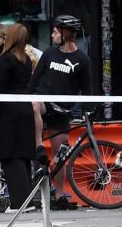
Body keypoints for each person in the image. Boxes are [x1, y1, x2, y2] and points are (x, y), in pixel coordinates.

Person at [30, 15, 93, 211]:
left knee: (60, 155)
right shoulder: (49, 53)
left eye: (56, 31)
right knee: (34, 105)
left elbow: (87, 89)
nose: (52, 35)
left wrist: (88, 111)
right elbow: (34, 81)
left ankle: (59, 195)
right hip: (44, 103)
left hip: (62, 110)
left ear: (66, 34)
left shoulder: (82, 59)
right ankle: (39, 146)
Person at [0, 24, 38, 212]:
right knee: (22, 157)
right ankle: (27, 200)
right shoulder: (27, 60)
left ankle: (18, 202)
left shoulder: (6, 61)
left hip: (8, 113)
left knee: (10, 157)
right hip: (24, 110)